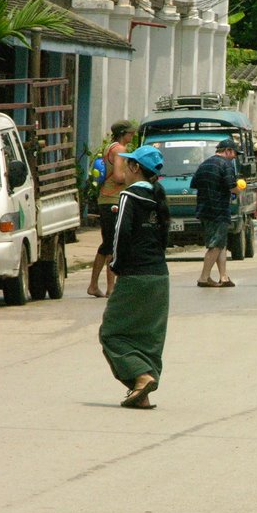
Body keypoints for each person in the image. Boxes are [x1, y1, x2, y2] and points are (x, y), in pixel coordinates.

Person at [98, 145, 169, 409]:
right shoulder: (157, 197)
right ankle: (143, 392)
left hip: (135, 275)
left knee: (111, 333)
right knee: (147, 336)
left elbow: (120, 237)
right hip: (159, 275)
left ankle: (141, 377)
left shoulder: (129, 195)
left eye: (128, 164)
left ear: (135, 168)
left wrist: (115, 266)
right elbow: (163, 239)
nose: (124, 169)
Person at [87, 120, 135, 298]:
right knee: (113, 244)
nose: (132, 136)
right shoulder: (120, 150)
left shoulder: (109, 147)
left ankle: (94, 285)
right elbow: (118, 176)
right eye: (130, 133)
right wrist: (133, 177)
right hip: (113, 199)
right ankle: (110, 288)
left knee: (106, 244)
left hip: (104, 199)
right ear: (123, 133)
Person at [190, 138, 240, 287]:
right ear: (228, 151)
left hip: (204, 209)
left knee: (221, 243)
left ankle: (223, 276)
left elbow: (194, 184)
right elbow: (232, 186)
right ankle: (203, 278)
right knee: (215, 245)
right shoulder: (226, 165)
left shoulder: (204, 164)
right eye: (234, 153)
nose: (235, 157)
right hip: (218, 210)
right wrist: (239, 190)